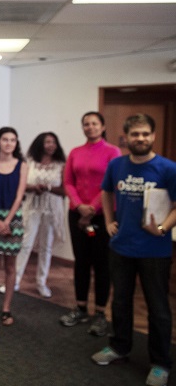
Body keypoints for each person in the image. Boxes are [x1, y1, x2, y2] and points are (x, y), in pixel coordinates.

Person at [92, 113, 176, 386]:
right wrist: (107, 221)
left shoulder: (167, 168)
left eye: (145, 134)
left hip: (155, 250)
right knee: (120, 302)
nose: (140, 138)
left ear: (153, 135)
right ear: (126, 137)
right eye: (135, 134)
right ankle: (119, 348)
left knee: (159, 309)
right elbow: (106, 192)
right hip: (121, 246)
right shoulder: (116, 165)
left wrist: (163, 228)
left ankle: (161, 363)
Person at [60, 111, 121, 337]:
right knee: (82, 262)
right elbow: (68, 182)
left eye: (94, 123)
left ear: (102, 126)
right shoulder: (76, 152)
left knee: (102, 265)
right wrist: (79, 206)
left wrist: (92, 209)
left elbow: (111, 184)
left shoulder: (113, 152)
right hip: (77, 215)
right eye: (86, 124)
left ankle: (101, 314)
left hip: (103, 215)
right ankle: (81, 308)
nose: (90, 127)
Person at [0, 126, 28, 326]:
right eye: (5, 139)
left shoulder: (22, 165)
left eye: (13, 140)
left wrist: (7, 221)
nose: (9, 143)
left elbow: (19, 196)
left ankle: (7, 307)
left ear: (16, 144)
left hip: (13, 219)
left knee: (10, 267)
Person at [14, 132, 66, 298]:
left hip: (52, 210)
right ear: (40, 144)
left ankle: (41, 282)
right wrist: (33, 187)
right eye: (47, 142)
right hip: (32, 207)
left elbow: (65, 190)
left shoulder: (60, 164)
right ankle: (14, 280)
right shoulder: (30, 162)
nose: (51, 145)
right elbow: (21, 185)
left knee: (46, 247)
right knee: (26, 243)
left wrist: (48, 188)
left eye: (53, 142)